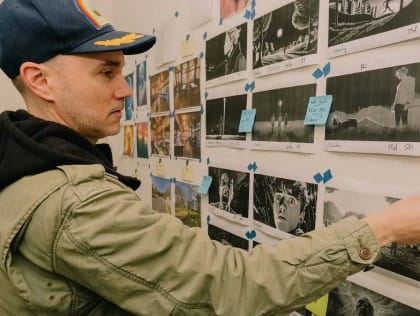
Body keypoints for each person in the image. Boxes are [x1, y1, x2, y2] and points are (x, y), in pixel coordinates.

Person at [2, 1, 420, 315]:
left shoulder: (24, 161)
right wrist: (381, 227)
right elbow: (230, 287)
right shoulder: (74, 202)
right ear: (40, 80)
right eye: (105, 72)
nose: (126, 91)